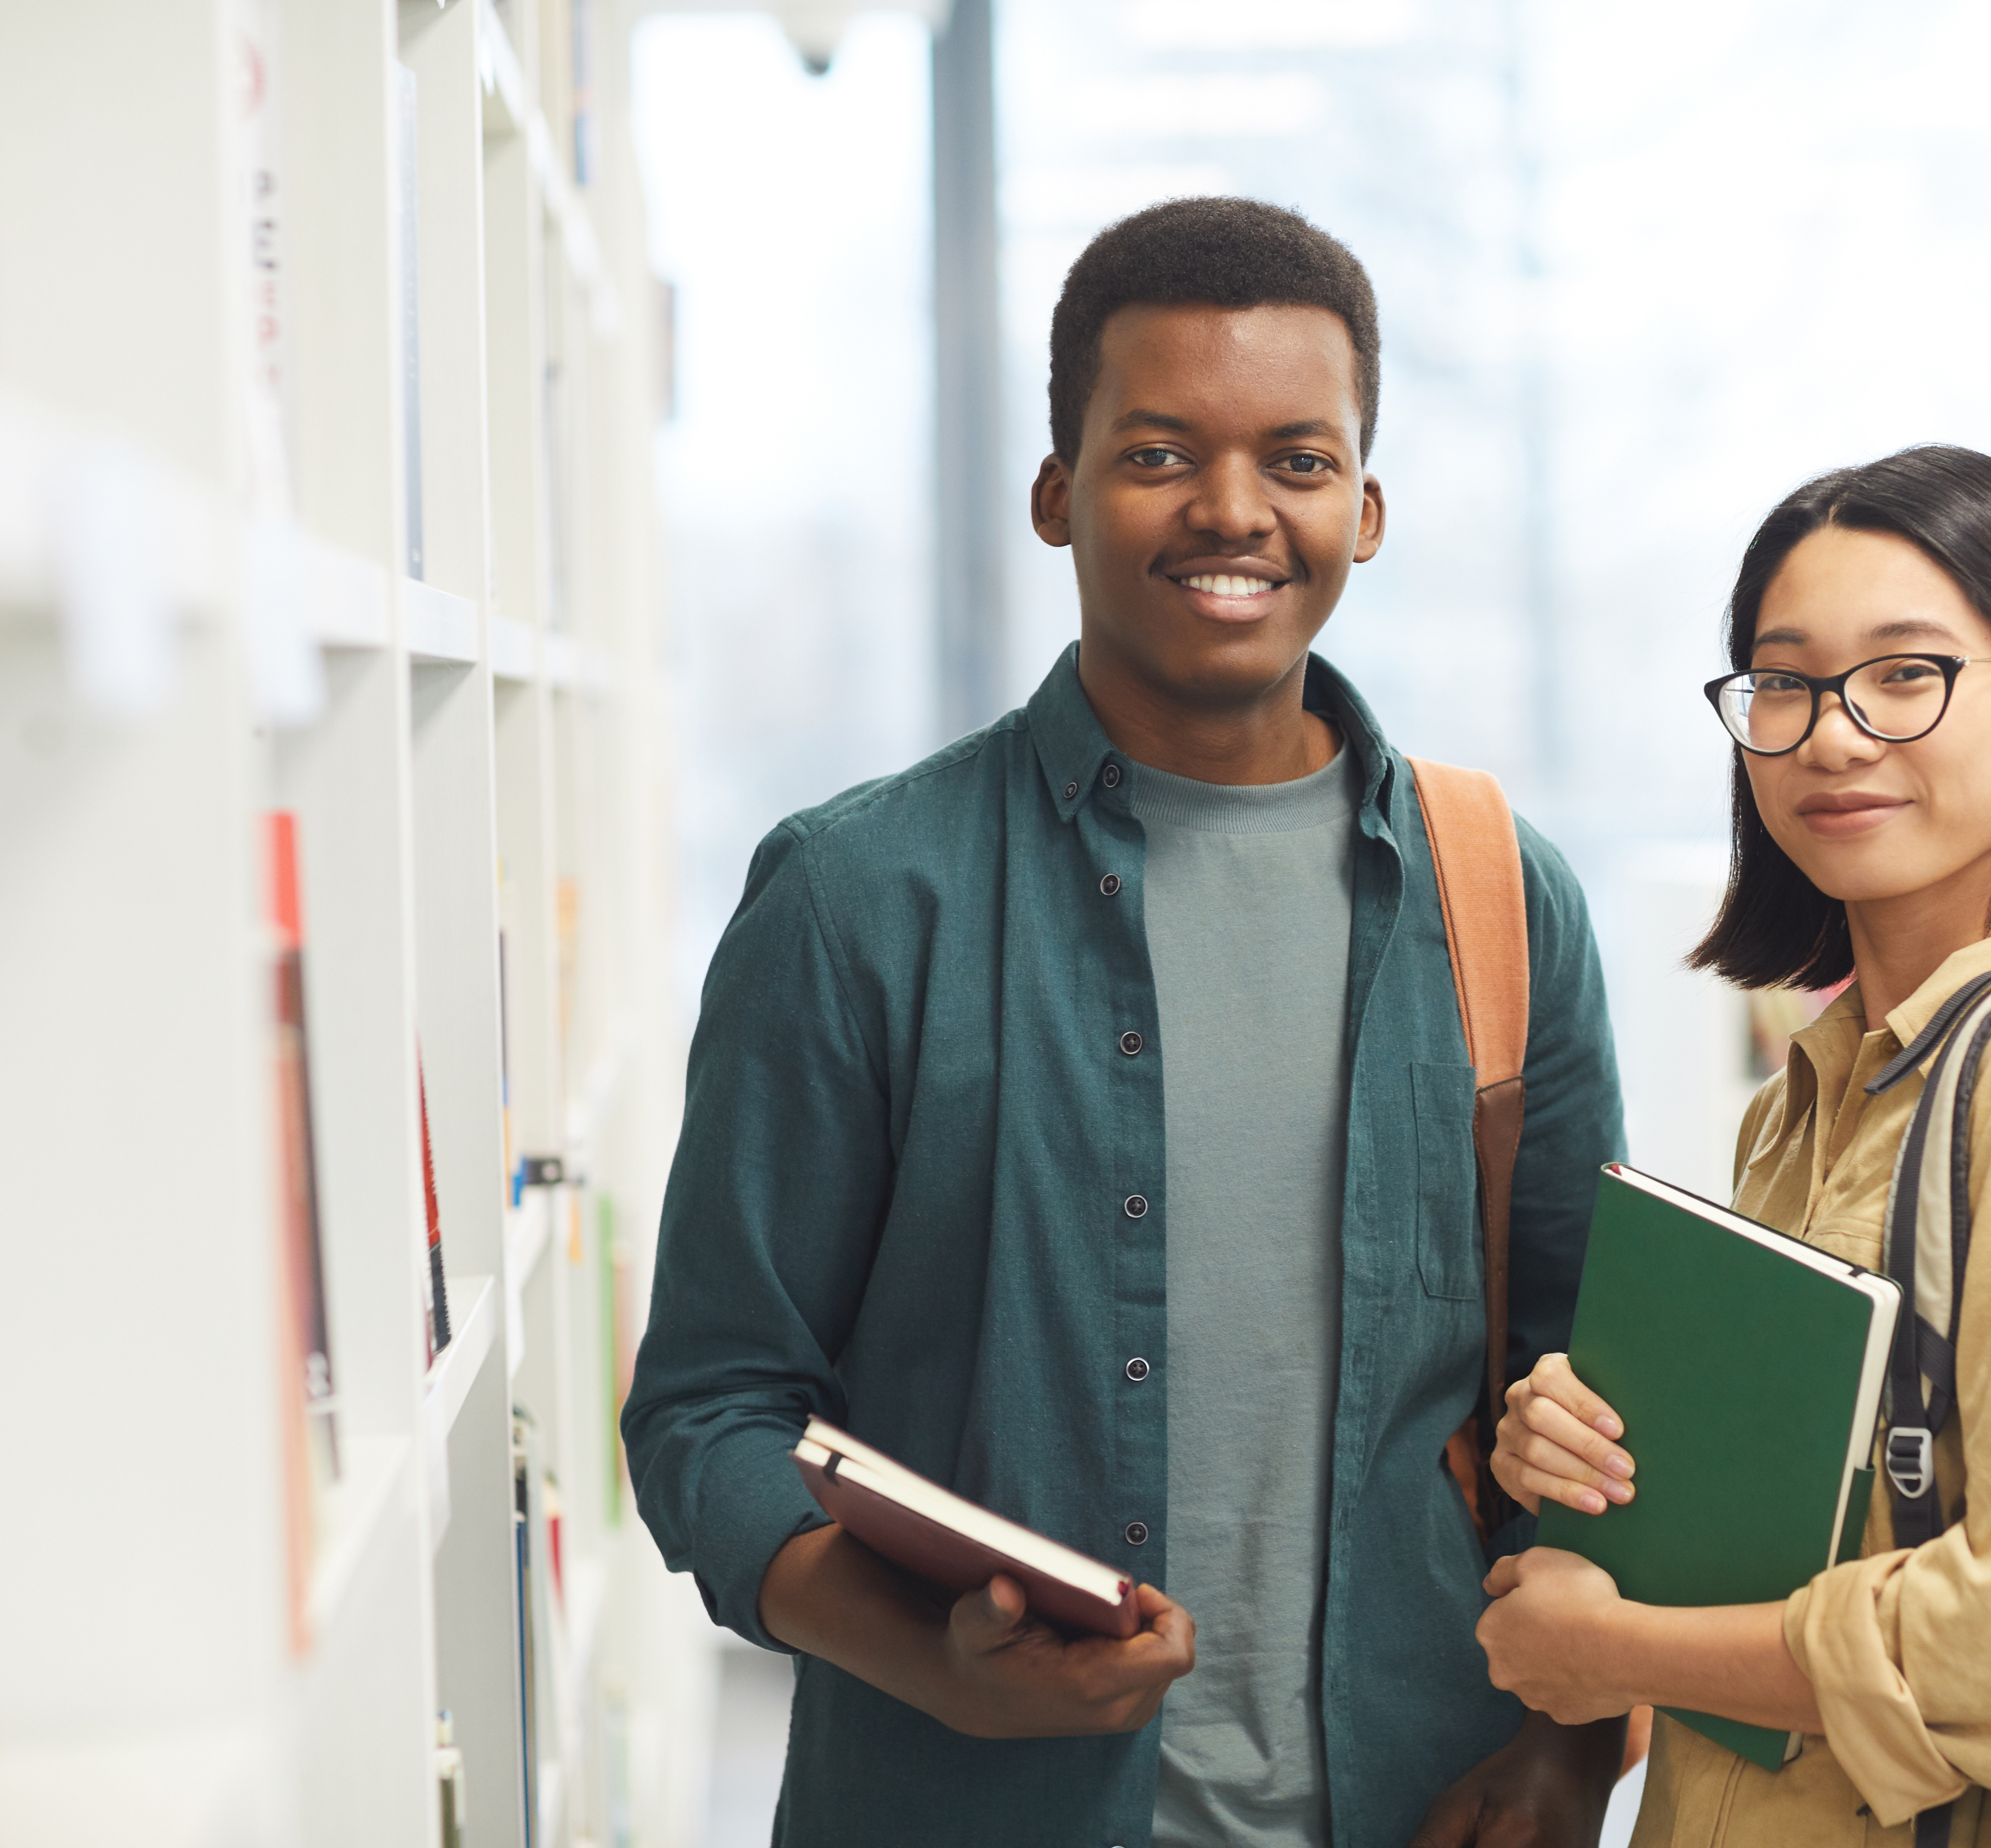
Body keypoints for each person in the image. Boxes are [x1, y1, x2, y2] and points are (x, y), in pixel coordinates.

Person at [621, 197, 1629, 1848]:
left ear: (1367, 510)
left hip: (1419, 1803)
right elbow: (711, 1408)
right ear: (1054, 491)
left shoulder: (1500, 898)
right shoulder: (859, 896)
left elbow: (1586, 1392)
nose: (1233, 511)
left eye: (1298, 461)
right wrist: (926, 1660)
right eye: (1161, 452)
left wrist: (1578, 1748)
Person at [1475, 446, 1991, 1847]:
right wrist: (1590, 1457)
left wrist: (1618, 1652)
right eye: (1784, 683)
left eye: (1907, 675)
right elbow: (1817, 1523)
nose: (1832, 735)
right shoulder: (1820, 1085)